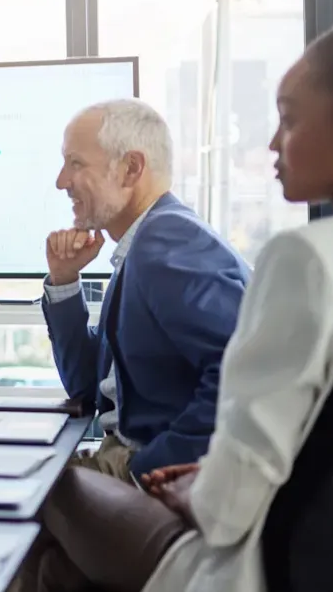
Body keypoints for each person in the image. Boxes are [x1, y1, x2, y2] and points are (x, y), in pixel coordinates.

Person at [30, 0, 333, 592]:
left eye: (290, 119)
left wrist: (177, 478)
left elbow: (224, 510)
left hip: (256, 570)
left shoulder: (307, 259)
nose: (273, 143)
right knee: (59, 566)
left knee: (41, 482)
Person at [42, 99, 247, 483]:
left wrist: (150, 467)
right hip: (122, 453)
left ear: (131, 168)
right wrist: (65, 280)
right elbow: (87, 386)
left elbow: (243, 371)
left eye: (76, 163)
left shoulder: (166, 240)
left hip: (144, 465)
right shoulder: (143, 246)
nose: (61, 181)